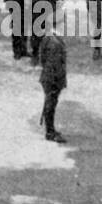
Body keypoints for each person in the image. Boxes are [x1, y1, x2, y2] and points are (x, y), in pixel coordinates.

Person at [39, 15, 67, 143]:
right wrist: (58, 81)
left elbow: (42, 58)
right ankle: (50, 132)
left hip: (47, 76)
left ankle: (50, 130)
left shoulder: (48, 38)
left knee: (50, 103)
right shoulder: (55, 42)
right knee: (51, 104)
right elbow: (55, 64)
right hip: (53, 78)